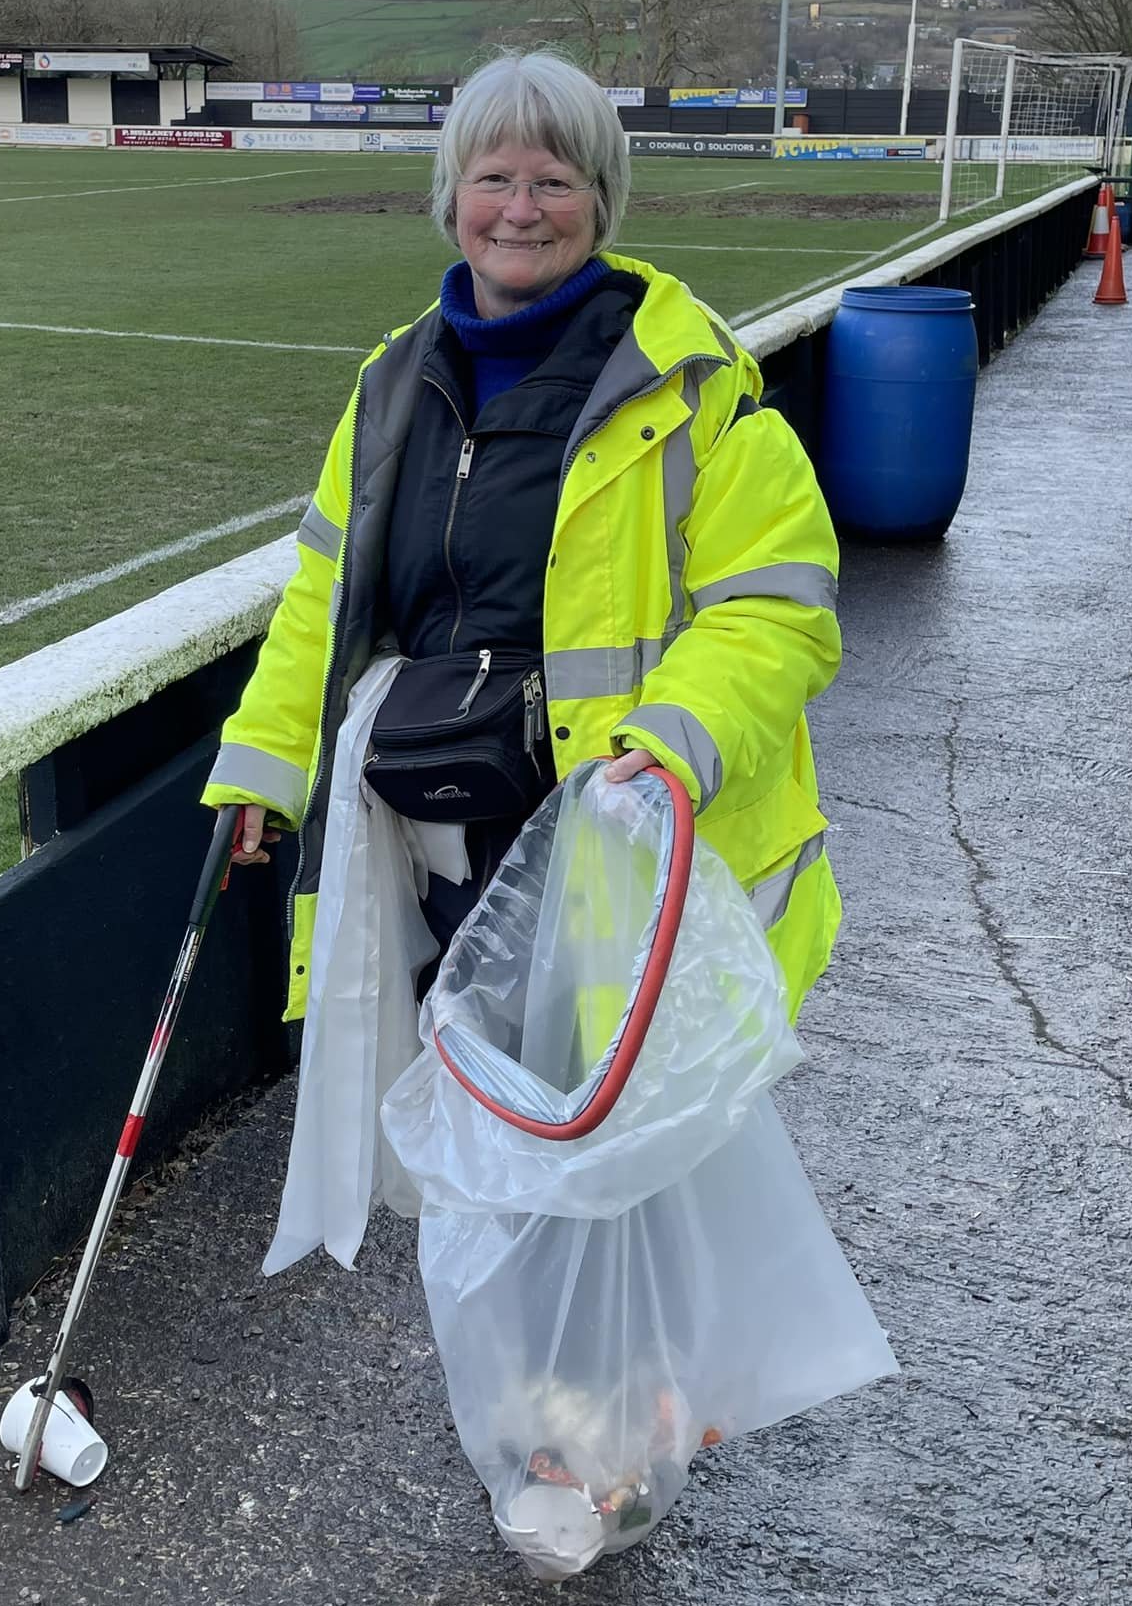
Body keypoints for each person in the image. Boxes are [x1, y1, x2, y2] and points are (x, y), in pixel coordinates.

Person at [202, 50, 843, 1023]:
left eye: (552, 181)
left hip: (628, 862)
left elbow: (774, 610)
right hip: (436, 871)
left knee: (610, 1166)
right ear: (450, 195)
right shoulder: (388, 388)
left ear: (599, 200)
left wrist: (677, 739)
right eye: (492, 178)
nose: (518, 208)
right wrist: (265, 760)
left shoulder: (693, 385)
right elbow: (322, 602)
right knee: (466, 1151)